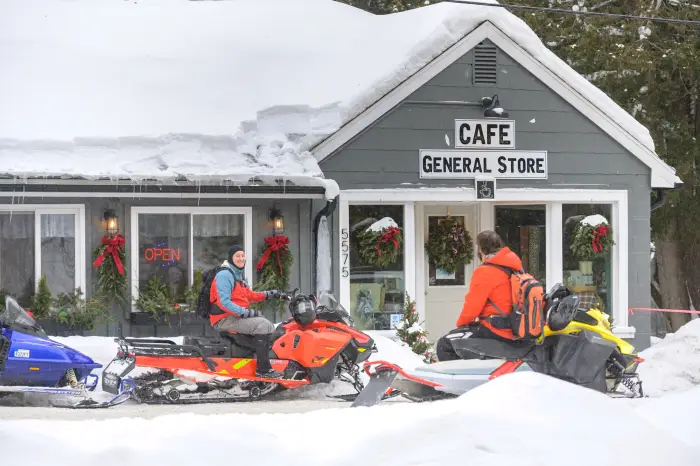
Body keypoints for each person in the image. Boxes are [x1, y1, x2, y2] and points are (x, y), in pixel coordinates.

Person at [436, 230, 524, 362]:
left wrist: (462, 325)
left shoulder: (486, 271)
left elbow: (472, 307)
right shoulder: (515, 267)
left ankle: (463, 381)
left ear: (482, 249)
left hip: (497, 331)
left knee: (445, 344)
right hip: (517, 329)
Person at [209, 245, 284, 379]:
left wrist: (270, 294)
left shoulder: (237, 275)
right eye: (237, 256)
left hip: (234, 316)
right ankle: (263, 369)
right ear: (231, 258)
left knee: (263, 323)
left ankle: (253, 356)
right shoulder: (225, 275)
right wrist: (245, 313)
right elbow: (224, 302)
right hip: (224, 318)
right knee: (264, 325)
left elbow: (249, 295)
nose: (241, 258)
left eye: (242, 256)